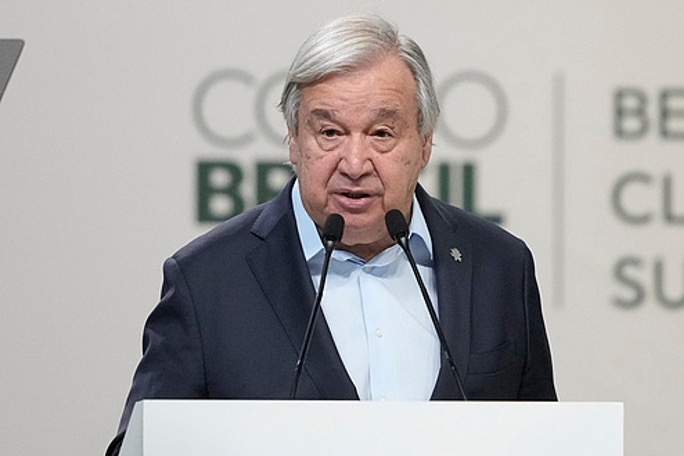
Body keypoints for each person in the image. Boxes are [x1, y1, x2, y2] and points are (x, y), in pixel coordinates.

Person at [105, 13, 556, 456]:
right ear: (293, 140)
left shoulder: (500, 266)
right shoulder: (207, 281)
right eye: (330, 132)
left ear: (424, 143)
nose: (354, 164)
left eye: (382, 133)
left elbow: (545, 441)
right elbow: (142, 447)